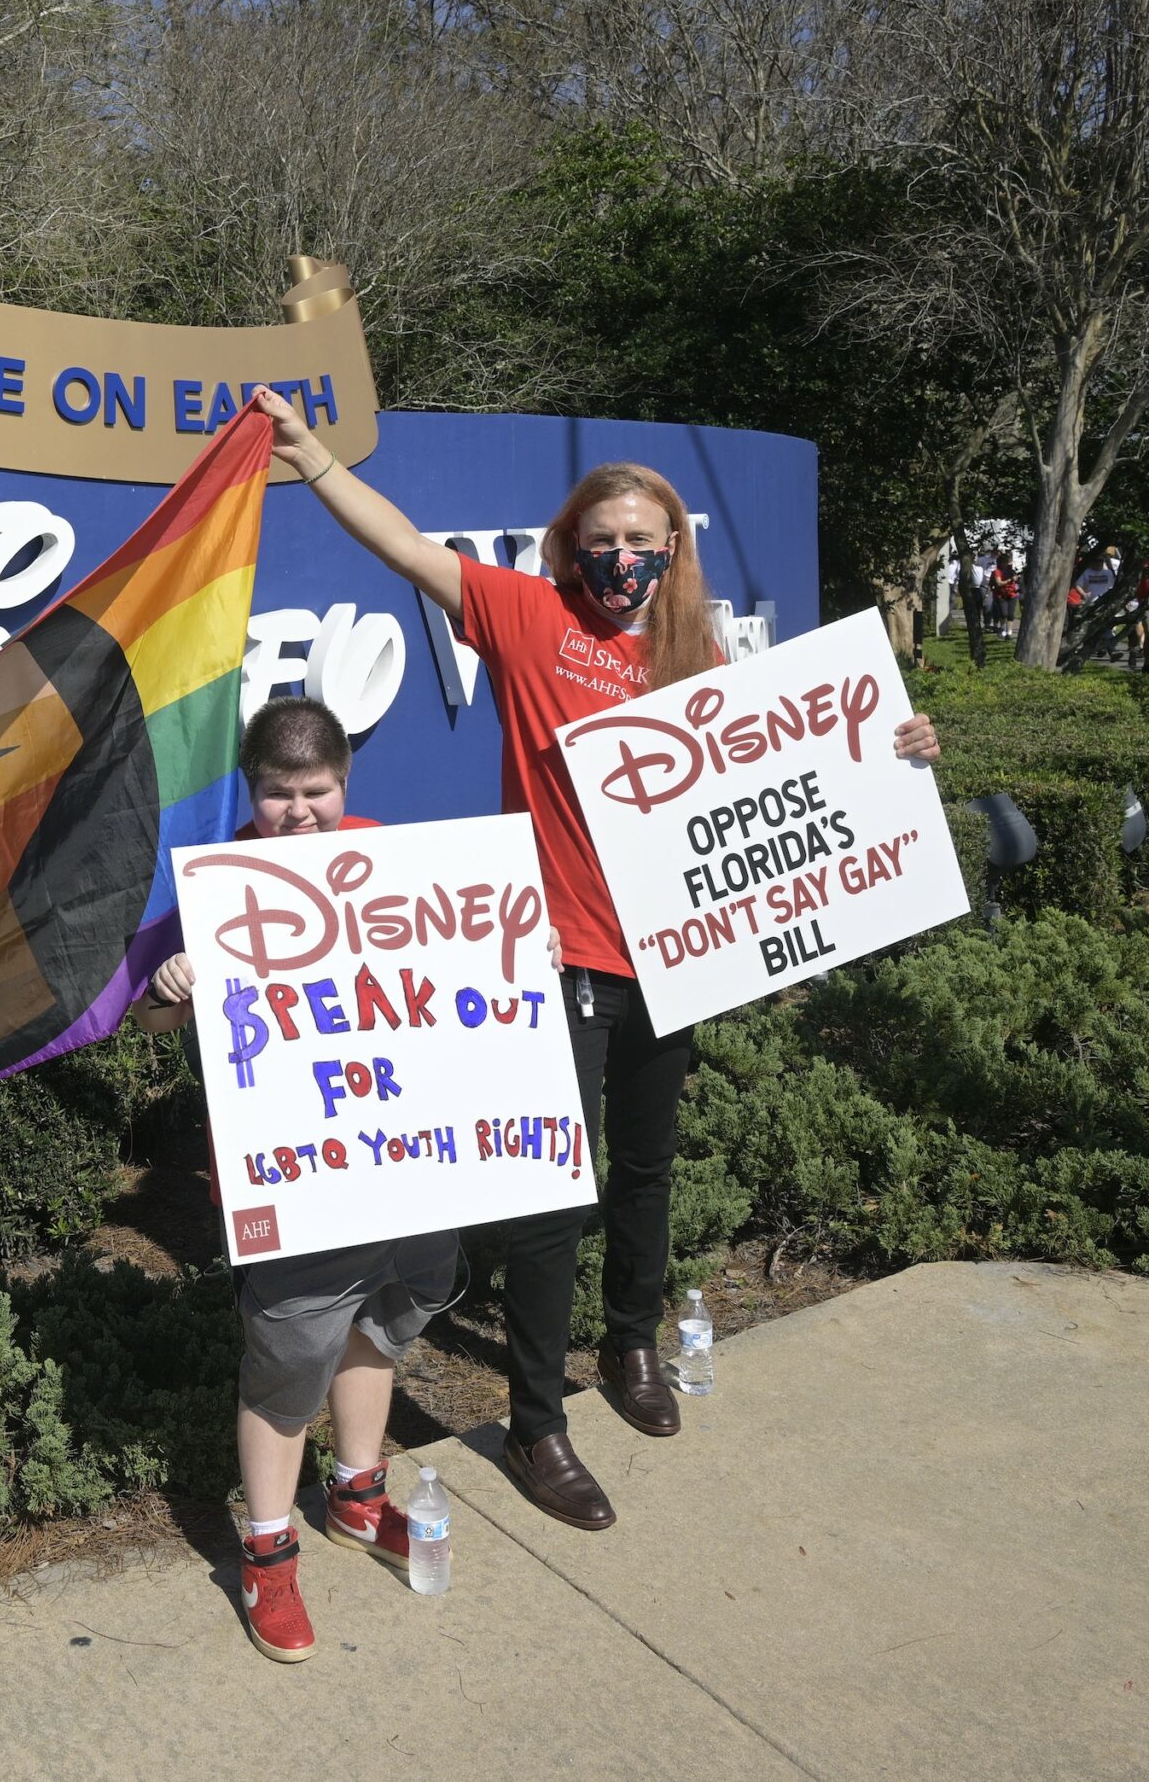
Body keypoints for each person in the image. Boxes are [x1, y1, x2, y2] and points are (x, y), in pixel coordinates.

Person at [251, 388, 940, 1531]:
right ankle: (536, 1420)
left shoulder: (696, 649)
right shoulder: (528, 617)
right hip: (558, 950)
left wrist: (899, 745)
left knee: (648, 1170)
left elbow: (792, 769)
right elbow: (404, 544)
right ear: (570, 544)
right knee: (545, 1199)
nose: (620, 558)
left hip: (675, 959)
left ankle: (628, 1345)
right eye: (601, 540)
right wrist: (315, 458)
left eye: (640, 543)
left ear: (673, 552)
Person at [135, 697, 558, 1661]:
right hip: (294, 1181)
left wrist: (524, 960)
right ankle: (268, 1553)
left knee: (382, 1326)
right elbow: (152, 1027)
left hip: (408, 1174)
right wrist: (170, 992)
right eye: (278, 795)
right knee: (288, 1369)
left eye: (315, 792)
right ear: (253, 792)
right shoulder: (219, 886)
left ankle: (359, 1494)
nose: (298, 812)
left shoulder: (389, 861)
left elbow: (463, 977)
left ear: (345, 785)